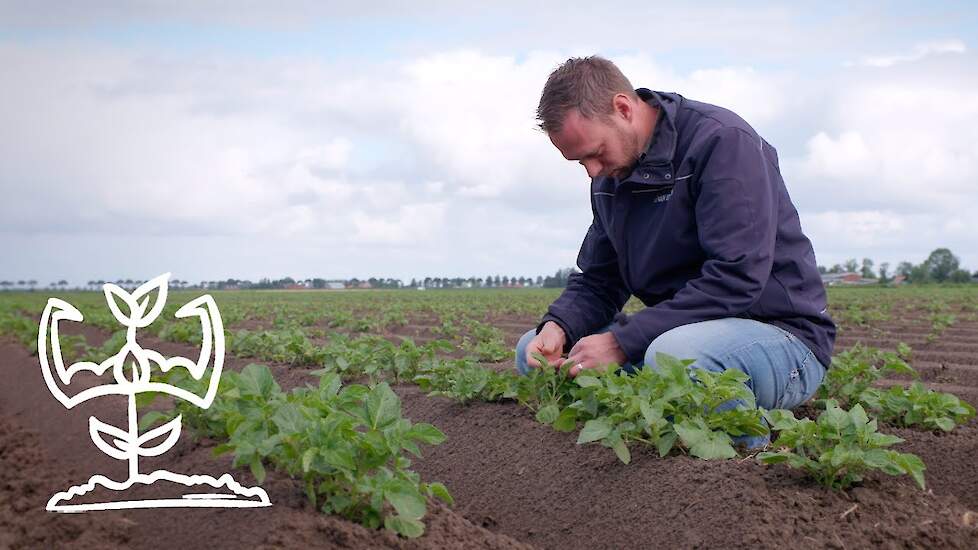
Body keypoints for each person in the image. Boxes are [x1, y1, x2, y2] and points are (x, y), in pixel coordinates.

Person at [515, 56, 836, 436]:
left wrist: (622, 342)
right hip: (682, 335)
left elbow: (736, 277)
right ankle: (631, 435)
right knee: (531, 349)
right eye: (579, 161)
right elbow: (601, 280)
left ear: (623, 108)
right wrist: (559, 325)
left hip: (779, 337)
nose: (592, 171)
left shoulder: (722, 142)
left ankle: (748, 456)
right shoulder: (612, 176)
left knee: (678, 357)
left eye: (595, 152)